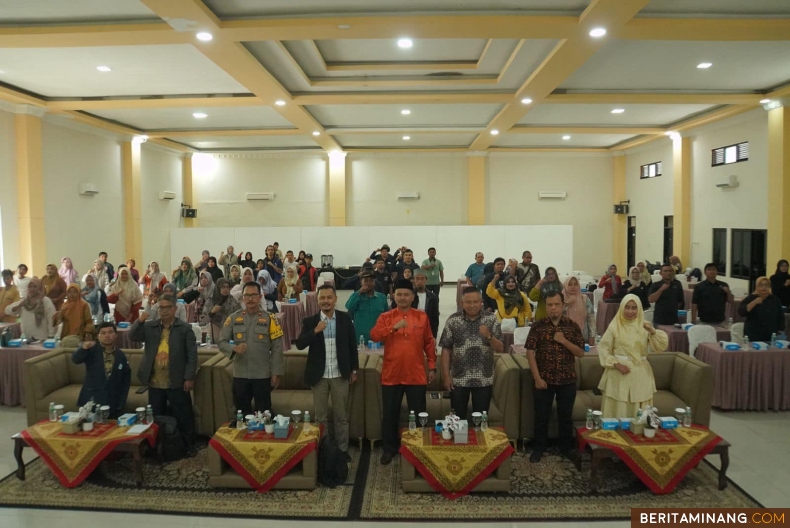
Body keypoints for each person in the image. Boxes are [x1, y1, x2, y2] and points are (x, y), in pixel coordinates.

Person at [370, 279, 437, 465]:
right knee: (390, 414)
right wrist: (393, 327)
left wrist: (432, 366)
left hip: (416, 374)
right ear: (394, 296)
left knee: (418, 413)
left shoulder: (422, 317)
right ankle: (389, 449)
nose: (402, 297)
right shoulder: (386, 317)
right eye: (399, 294)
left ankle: (416, 447)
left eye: (406, 294)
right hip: (392, 374)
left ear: (413, 297)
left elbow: (429, 343)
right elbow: (374, 335)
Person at [296, 284, 358, 459]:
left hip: (340, 375)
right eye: (322, 298)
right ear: (317, 300)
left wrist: (354, 370)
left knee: (341, 416)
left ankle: (342, 450)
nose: (326, 301)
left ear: (335, 299)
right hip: (319, 376)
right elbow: (300, 344)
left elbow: (352, 346)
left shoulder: (345, 319)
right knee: (320, 417)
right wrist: (315, 331)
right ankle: (323, 451)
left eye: (329, 297)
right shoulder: (310, 321)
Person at [524, 290, 585, 463]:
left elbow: (580, 353)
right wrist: (537, 378)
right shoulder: (538, 326)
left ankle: (565, 447)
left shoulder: (572, 326)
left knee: (565, 416)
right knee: (541, 416)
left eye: (557, 304)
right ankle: (539, 447)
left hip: (567, 379)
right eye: (550, 305)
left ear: (563, 305)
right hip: (544, 379)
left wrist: (564, 341)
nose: (553, 308)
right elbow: (530, 352)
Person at [133, 295, 198, 456]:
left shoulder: (184, 328)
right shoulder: (150, 327)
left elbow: (192, 355)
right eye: (161, 307)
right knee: (156, 417)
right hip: (155, 381)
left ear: (175, 309)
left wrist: (189, 377)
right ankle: (156, 448)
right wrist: (140, 320)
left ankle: (187, 446)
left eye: (168, 307)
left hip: (176, 380)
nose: (164, 311)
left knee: (183, 415)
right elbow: (133, 336)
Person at [218, 281, 284, 416]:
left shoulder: (270, 318)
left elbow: (277, 348)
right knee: (241, 415)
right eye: (247, 295)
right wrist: (234, 348)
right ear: (242, 297)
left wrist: (276, 373)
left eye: (254, 295)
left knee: (264, 415)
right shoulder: (234, 318)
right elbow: (222, 341)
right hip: (240, 375)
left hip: (262, 375)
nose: (250, 298)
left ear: (260, 297)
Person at [597, 295, 668, 419]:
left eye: (634, 308)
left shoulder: (645, 326)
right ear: (621, 308)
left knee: (640, 411)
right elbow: (603, 348)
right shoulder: (615, 326)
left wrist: (653, 332)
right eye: (627, 307)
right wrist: (616, 364)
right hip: (618, 374)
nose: (630, 311)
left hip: (640, 373)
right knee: (619, 408)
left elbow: (661, 346)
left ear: (639, 309)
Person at [439, 286, 503, 420]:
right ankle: (459, 441)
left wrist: (489, 336)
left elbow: (500, 348)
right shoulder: (453, 320)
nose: (472, 305)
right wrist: (446, 376)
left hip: (484, 378)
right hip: (458, 378)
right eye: (468, 302)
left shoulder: (491, 319)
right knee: (457, 419)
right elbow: (446, 349)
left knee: (480, 419)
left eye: (476, 302)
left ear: (481, 302)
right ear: (462, 303)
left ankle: (479, 441)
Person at [71, 322, 132, 419]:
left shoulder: (121, 355)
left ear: (115, 335)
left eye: (110, 332)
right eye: (103, 333)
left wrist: (122, 402)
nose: (107, 335)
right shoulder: (91, 350)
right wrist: (83, 349)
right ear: (98, 336)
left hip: (112, 401)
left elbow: (126, 381)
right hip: (92, 399)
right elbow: (75, 360)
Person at [345, 270, 388, 342]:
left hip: (379, 339)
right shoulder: (356, 296)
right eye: (366, 281)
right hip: (360, 339)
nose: (368, 283)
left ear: (375, 282)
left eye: (371, 281)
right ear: (361, 283)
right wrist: (359, 292)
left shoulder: (382, 297)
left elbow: (387, 317)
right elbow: (349, 307)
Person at [739, 277, 785, 342]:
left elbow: (780, 316)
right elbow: (741, 312)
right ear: (757, 286)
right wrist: (754, 302)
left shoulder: (774, 299)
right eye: (761, 285)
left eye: (766, 285)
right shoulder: (751, 298)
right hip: (753, 335)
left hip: (770, 336)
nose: (764, 287)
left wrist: (780, 330)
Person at [54, 283, 96, 348]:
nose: (72, 294)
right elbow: (57, 321)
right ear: (67, 293)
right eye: (69, 292)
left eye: (75, 292)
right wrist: (61, 312)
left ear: (79, 293)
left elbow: (89, 322)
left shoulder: (84, 305)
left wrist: (87, 335)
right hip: (66, 335)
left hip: (80, 335)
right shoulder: (64, 305)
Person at [201, 278, 240, 343]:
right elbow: (203, 321)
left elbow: (239, 317)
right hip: (214, 334)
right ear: (218, 288)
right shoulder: (210, 301)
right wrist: (212, 312)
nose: (226, 289)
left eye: (227, 287)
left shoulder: (233, 301)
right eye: (223, 287)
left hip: (230, 334)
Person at [562, 276, 596, 344]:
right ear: (565, 285)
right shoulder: (560, 299)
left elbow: (591, 318)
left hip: (583, 336)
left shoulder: (584, 299)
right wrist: (567, 303)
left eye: (575, 284)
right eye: (570, 284)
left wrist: (592, 335)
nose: (573, 287)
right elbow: (556, 316)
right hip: (565, 338)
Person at [412, 270, 440, 337]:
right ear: (414, 280)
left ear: (426, 280)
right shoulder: (410, 295)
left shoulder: (432, 297)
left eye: (422, 279)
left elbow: (435, 318)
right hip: (412, 328)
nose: (419, 281)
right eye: (417, 279)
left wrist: (434, 336)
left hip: (426, 328)